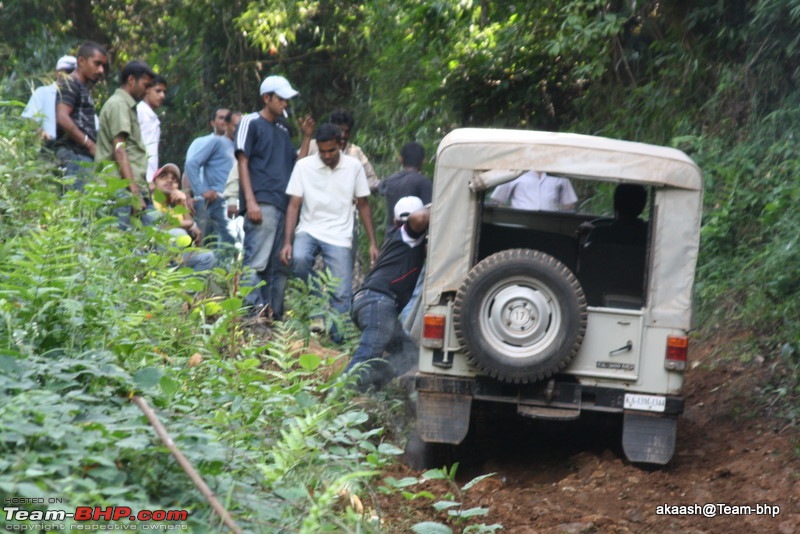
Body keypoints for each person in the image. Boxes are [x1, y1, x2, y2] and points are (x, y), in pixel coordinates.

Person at [280, 123, 379, 340]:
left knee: (342, 293)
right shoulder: (304, 166)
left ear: (340, 144)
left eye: (331, 151)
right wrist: (287, 241)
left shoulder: (353, 166)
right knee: (299, 259)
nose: (326, 155)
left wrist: (372, 242)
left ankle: (338, 341)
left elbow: (363, 204)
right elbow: (294, 205)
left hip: (340, 234)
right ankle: (317, 304)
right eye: (322, 151)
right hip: (309, 228)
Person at [236, 75, 313, 319]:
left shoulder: (282, 130)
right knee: (257, 261)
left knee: (279, 266)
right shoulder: (250, 122)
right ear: (266, 97)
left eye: (287, 100)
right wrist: (250, 201)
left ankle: (273, 316)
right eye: (281, 99)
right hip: (262, 201)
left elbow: (298, 165)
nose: (285, 104)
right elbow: (242, 160)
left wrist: (306, 137)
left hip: (283, 205)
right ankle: (252, 314)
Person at [347, 197, 429, 391]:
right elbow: (419, 218)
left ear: (393, 221)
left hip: (372, 303)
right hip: (378, 302)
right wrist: (439, 207)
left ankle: (369, 386)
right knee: (366, 355)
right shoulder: (408, 234)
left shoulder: (398, 238)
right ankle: (338, 397)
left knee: (408, 354)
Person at [95, 60, 156, 226]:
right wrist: (134, 192)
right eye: (145, 84)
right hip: (121, 191)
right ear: (131, 80)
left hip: (128, 189)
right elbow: (119, 148)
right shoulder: (119, 105)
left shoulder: (127, 106)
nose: (147, 90)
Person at [185, 109, 241, 249]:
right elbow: (191, 164)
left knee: (238, 243)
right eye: (235, 126)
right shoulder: (217, 142)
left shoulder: (242, 146)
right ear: (227, 125)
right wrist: (202, 190)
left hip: (239, 202)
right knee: (228, 242)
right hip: (220, 200)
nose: (238, 130)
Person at [55, 42, 108, 187]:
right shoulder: (71, 83)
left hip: (81, 156)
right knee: (79, 207)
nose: (101, 70)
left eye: (103, 65)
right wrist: (89, 143)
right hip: (73, 155)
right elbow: (62, 117)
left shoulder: (81, 87)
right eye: (97, 64)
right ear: (81, 61)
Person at [150, 163, 215, 272]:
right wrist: (190, 225)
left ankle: (186, 289)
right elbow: (158, 225)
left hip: (177, 256)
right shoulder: (150, 202)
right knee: (178, 233)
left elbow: (195, 235)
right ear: (154, 183)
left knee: (208, 257)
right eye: (163, 176)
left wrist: (183, 203)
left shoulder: (174, 208)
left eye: (174, 179)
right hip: (154, 253)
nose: (170, 180)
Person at [307, 108, 379, 192]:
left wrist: (355, 190)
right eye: (340, 130)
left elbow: (372, 179)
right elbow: (298, 168)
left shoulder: (355, 152)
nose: (344, 135)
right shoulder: (313, 146)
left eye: (347, 131)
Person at [378, 141, 433, 231]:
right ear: (423, 161)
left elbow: (379, 187)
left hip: (392, 238)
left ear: (400, 159)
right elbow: (430, 214)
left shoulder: (389, 180)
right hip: (415, 238)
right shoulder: (424, 182)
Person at [21, 55, 77, 142]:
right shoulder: (43, 92)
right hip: (48, 147)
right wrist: (43, 135)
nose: (68, 75)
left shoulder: (80, 95)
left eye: (72, 72)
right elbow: (29, 119)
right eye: (65, 71)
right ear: (56, 72)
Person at [489, 170, 578, 211]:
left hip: (551, 221)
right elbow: (497, 201)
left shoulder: (560, 177)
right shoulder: (515, 174)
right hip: (519, 220)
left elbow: (569, 205)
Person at [136, 74, 167, 185]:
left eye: (164, 92)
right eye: (158, 91)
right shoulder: (139, 111)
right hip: (140, 177)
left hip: (150, 177)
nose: (162, 95)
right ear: (147, 90)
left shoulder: (152, 117)